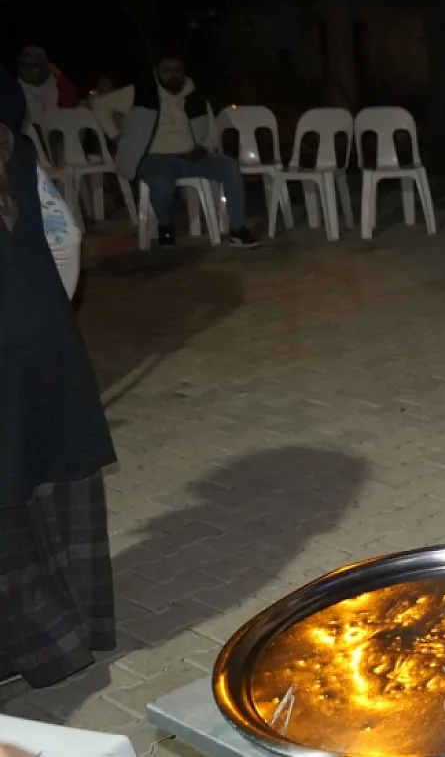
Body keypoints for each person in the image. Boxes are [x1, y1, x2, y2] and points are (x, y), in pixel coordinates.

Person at [0, 64, 118, 688]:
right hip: (44, 345)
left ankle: (29, 648)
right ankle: (70, 635)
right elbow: (65, 236)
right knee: (47, 485)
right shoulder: (16, 153)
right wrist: (47, 311)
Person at [98, 55, 258, 248]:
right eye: (167, 69)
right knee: (161, 185)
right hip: (154, 158)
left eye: (177, 69)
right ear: (156, 72)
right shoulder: (140, 92)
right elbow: (99, 105)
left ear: (184, 72)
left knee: (229, 166)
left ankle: (238, 228)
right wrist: (116, 136)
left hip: (191, 156)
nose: (173, 74)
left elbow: (212, 131)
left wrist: (204, 147)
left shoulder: (196, 97)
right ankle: (165, 225)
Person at [15, 47, 79, 134]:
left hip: (58, 136)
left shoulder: (55, 83)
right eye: (24, 66)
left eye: (34, 66)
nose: (28, 71)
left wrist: (62, 79)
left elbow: (71, 109)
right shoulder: (15, 89)